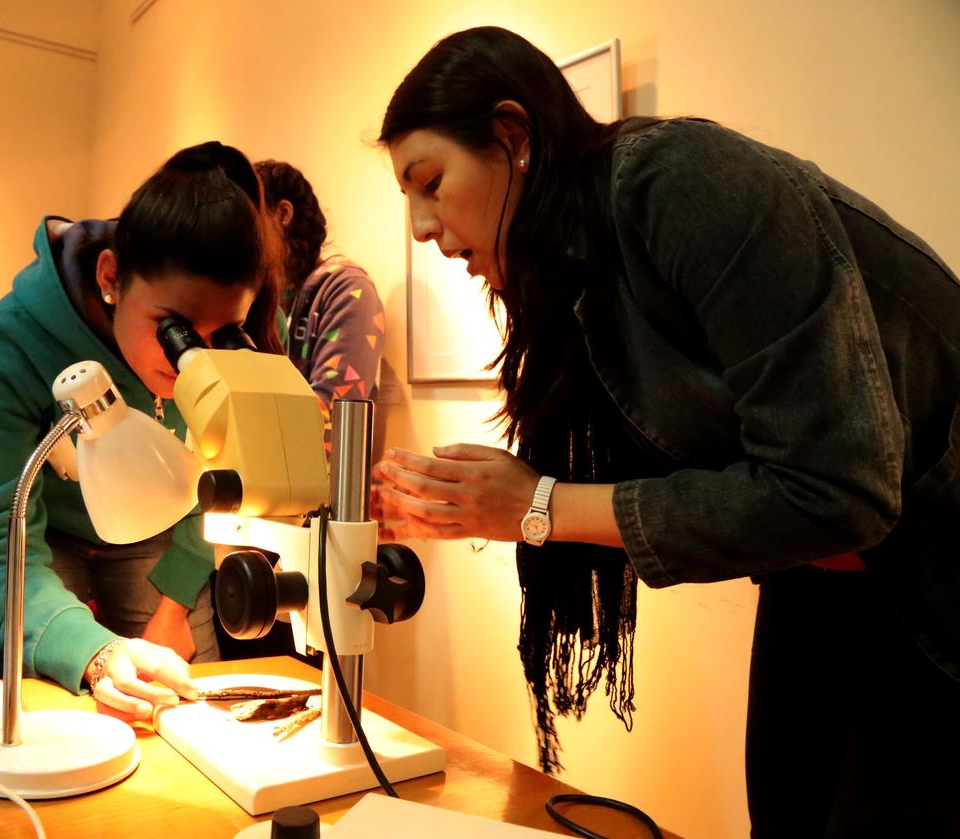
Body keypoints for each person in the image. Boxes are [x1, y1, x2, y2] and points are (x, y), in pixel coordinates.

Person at [372, 25, 960, 836]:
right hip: (826, 574)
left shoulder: (681, 181)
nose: (420, 227)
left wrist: (535, 505)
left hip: (935, 575)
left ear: (514, 137)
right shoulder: (578, 281)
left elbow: (834, 489)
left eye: (429, 182)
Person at [0, 141, 284, 716]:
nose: (194, 359)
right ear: (111, 277)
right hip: (44, 537)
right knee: (56, 703)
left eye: (221, 335)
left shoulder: (241, 336)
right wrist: (90, 653)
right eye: (175, 328)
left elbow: (224, 492)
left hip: (169, 530)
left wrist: (174, 609)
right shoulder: (9, 342)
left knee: (182, 700)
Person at [254, 160, 385, 450]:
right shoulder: (262, 294)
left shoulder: (348, 288)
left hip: (322, 490)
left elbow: (334, 421)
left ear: (283, 214)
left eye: (251, 222)